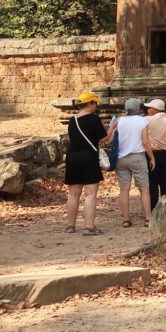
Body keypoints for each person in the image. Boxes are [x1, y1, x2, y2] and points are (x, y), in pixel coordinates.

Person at [65, 91, 115, 236]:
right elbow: (105, 139)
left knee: (73, 193)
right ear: (89, 104)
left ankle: (70, 225)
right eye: (95, 103)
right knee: (91, 193)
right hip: (88, 157)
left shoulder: (72, 120)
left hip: (73, 157)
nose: (96, 106)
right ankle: (89, 226)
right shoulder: (93, 119)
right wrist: (112, 127)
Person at [115, 98, 154, 228]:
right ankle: (148, 218)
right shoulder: (143, 121)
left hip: (121, 158)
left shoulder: (119, 120)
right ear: (139, 109)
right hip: (137, 157)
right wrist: (152, 157)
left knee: (124, 190)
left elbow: (110, 138)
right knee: (144, 189)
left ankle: (126, 219)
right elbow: (145, 141)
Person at [144, 98, 166, 210]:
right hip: (165, 153)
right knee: (165, 180)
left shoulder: (146, 120)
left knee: (152, 182)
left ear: (155, 109)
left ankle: (153, 209)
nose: (148, 110)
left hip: (150, 154)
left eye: (149, 108)